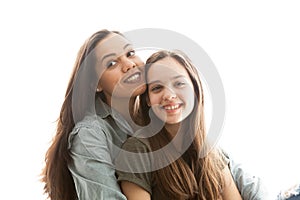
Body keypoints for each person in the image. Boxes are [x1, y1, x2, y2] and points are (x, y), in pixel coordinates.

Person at [116, 50, 266, 200]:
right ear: (148, 99)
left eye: (179, 83)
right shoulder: (137, 150)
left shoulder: (211, 151)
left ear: (195, 89)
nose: (169, 95)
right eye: (157, 88)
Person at [41, 29, 146, 200]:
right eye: (111, 63)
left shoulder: (155, 118)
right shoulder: (89, 134)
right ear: (96, 84)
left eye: (130, 53)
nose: (129, 64)